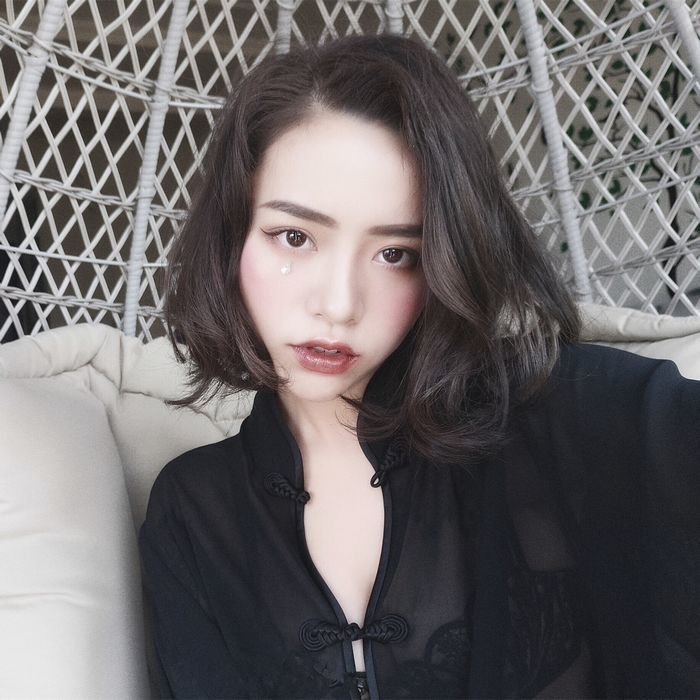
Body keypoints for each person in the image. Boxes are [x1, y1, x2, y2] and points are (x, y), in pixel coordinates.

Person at [137, 33, 700, 699]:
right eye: (294, 237)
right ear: (232, 238)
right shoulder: (194, 512)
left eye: (396, 254)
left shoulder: (546, 410)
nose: (339, 305)